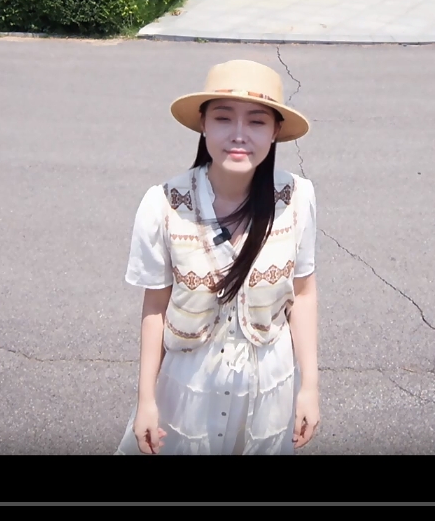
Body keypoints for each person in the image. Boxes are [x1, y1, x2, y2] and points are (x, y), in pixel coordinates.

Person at [115, 60, 320, 455]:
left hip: (270, 386)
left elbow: (304, 293)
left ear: (276, 131)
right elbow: (155, 306)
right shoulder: (163, 205)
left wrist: (309, 386)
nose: (239, 134)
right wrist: (146, 400)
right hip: (188, 388)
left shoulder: (297, 198)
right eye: (224, 118)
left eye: (257, 121)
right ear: (203, 124)